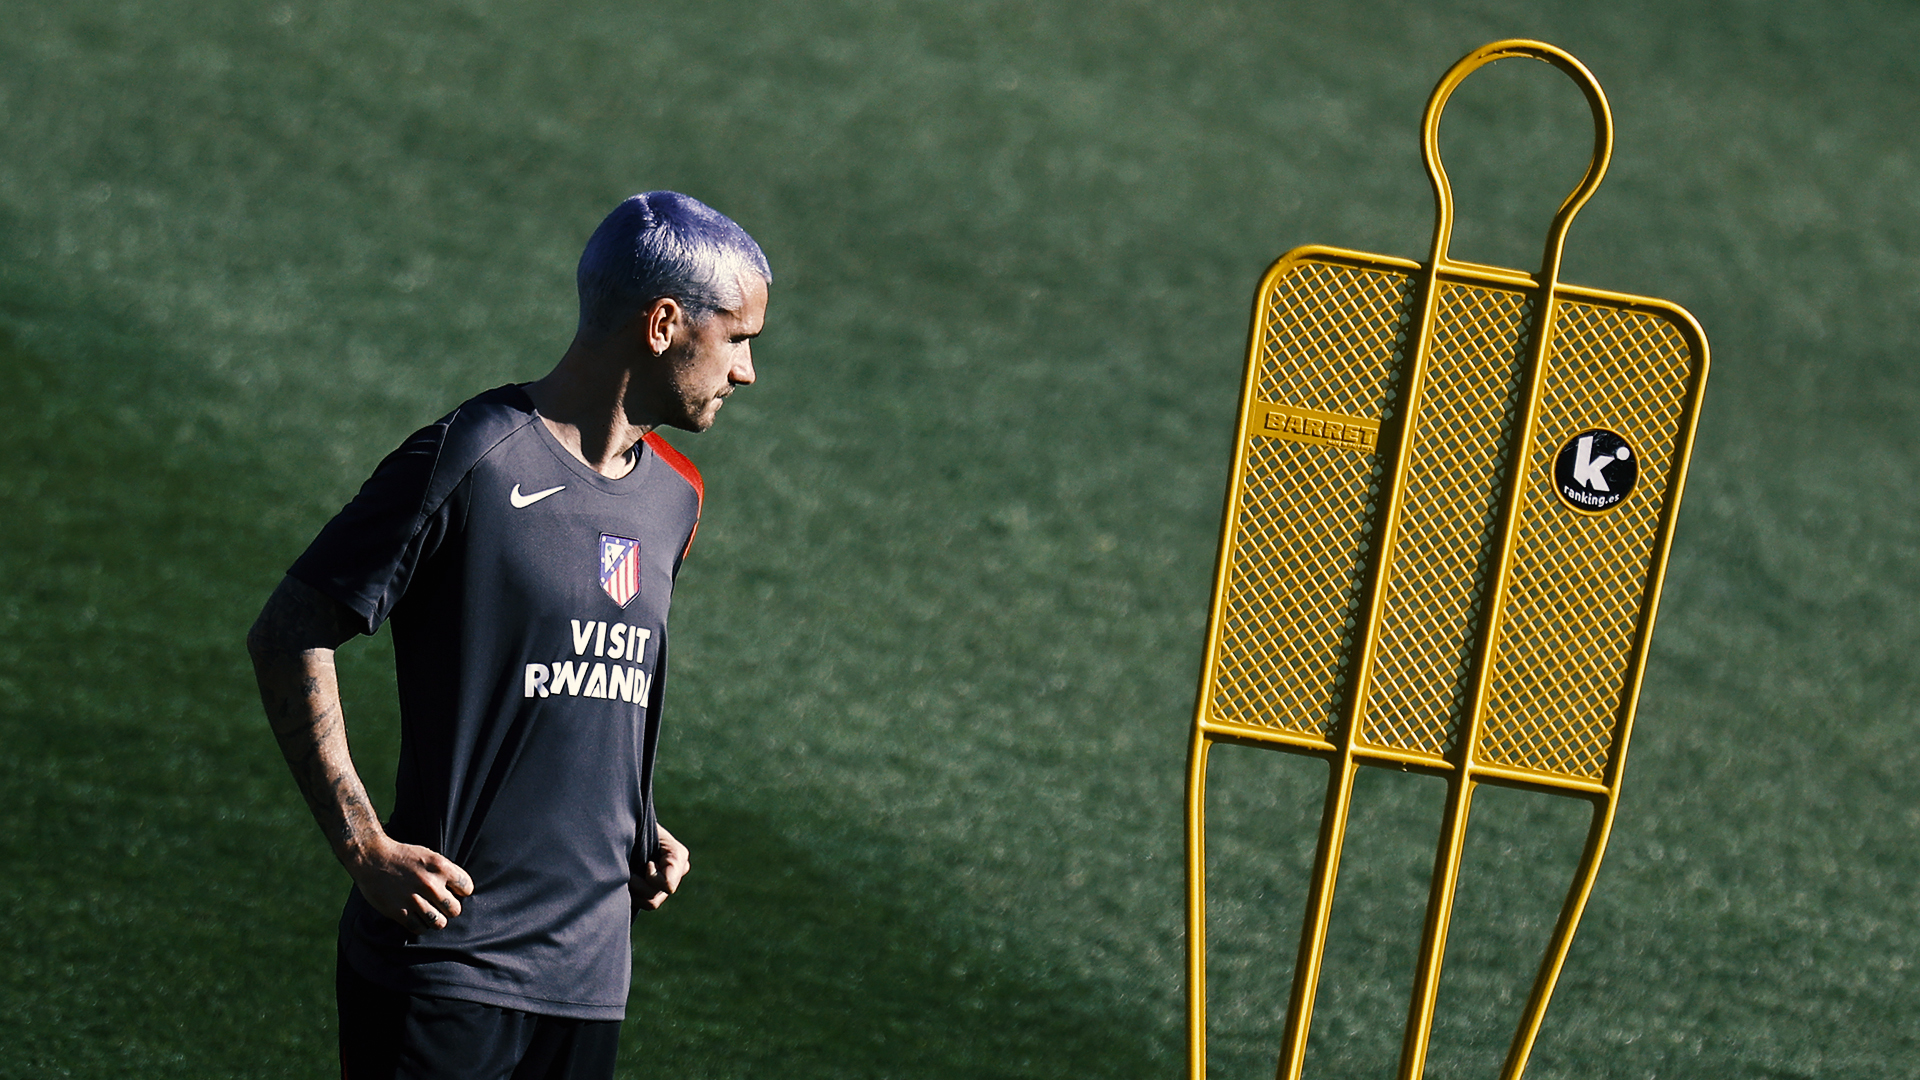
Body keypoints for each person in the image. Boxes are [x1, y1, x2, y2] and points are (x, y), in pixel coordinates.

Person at [246, 191, 770, 1079]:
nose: (748, 371)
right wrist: (362, 844)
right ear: (664, 323)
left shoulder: (674, 496)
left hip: (589, 978)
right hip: (445, 965)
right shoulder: (477, 456)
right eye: (740, 337)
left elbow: (575, 686)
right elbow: (292, 628)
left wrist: (637, 822)